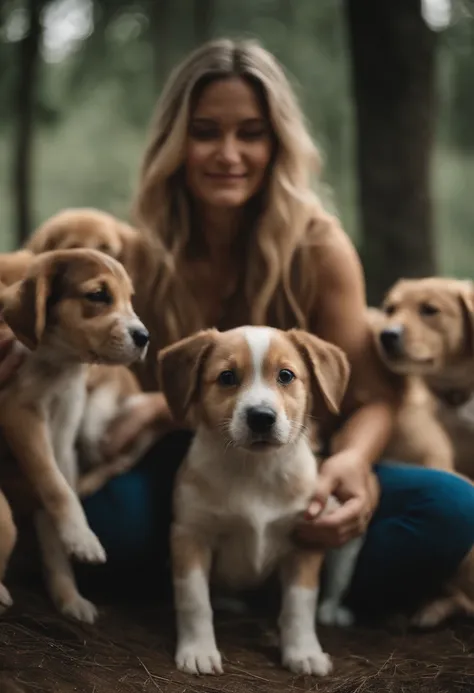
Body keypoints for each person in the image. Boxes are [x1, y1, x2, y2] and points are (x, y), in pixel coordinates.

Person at [3, 38, 474, 620]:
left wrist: (351, 464)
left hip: (299, 464)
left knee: (452, 506)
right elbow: (34, 276)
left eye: (250, 132)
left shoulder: (320, 248)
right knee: (104, 524)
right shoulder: (139, 251)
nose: (228, 153)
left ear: (278, 143)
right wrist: (150, 404)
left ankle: (274, 580)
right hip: (187, 461)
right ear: (175, 143)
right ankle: (221, 575)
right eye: (205, 131)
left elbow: (373, 398)